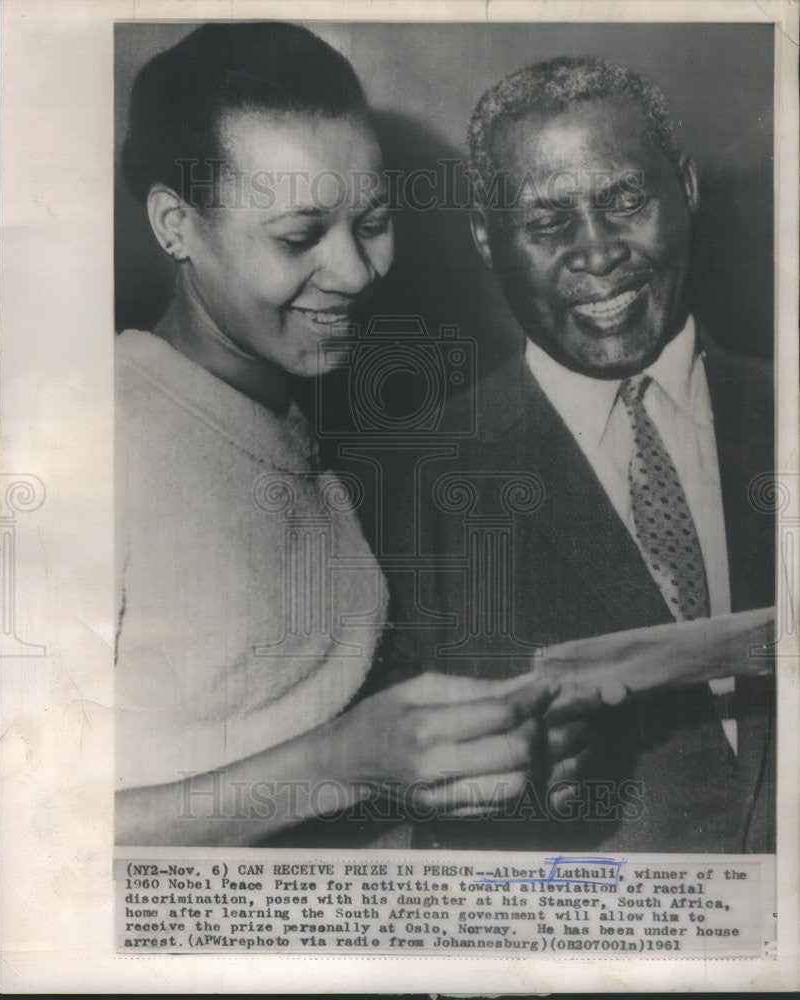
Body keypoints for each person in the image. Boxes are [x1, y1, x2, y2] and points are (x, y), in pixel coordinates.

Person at [113, 22, 583, 847]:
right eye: (298, 238)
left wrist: (477, 763)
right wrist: (345, 764)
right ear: (174, 224)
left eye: (372, 220)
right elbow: (31, 838)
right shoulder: (91, 438)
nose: (358, 272)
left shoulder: (302, 433)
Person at [373, 56, 775, 852]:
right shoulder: (402, 487)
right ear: (487, 238)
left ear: (685, 191)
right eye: (548, 221)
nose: (597, 252)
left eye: (625, 200)